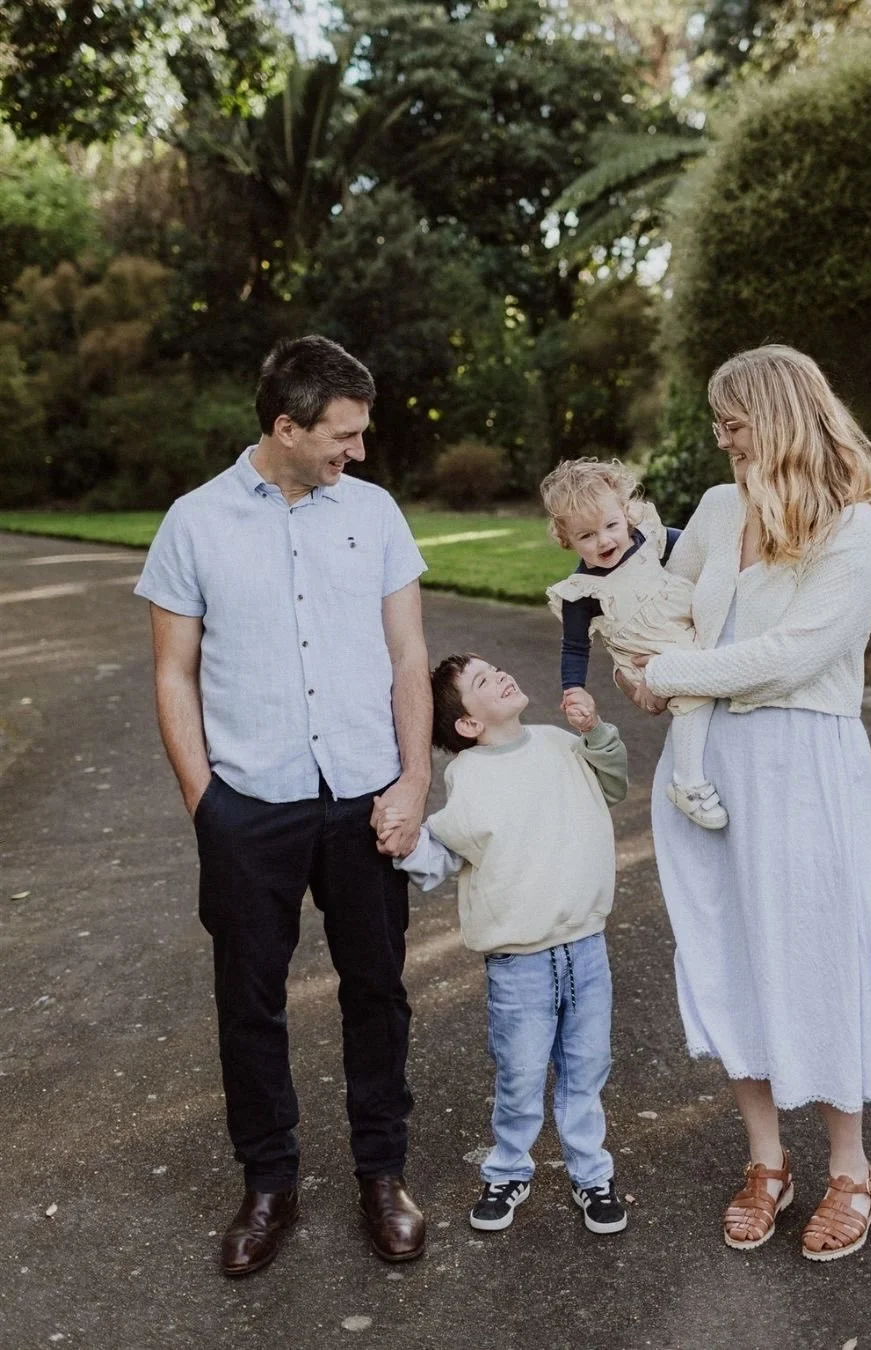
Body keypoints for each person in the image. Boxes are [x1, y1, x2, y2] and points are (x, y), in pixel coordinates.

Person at [134, 335, 432, 1276]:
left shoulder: (374, 513)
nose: (357, 450)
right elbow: (173, 673)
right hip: (249, 807)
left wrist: (415, 778)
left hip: (363, 799)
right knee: (249, 1004)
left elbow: (409, 659)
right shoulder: (193, 522)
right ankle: (269, 1183)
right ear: (286, 428)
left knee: (378, 992)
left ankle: (383, 1176)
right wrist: (205, 803)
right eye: (341, 434)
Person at [621, 345, 871, 1262]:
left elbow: (790, 654)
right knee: (728, 951)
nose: (721, 437)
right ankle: (765, 1161)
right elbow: (666, 598)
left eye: (734, 419)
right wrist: (633, 643)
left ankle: (852, 1171)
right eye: (717, 421)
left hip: (804, 764)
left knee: (824, 952)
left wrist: (669, 673)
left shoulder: (857, 531)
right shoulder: (717, 507)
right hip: (705, 764)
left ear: (783, 415)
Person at [382, 653, 630, 1235]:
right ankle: (507, 1169)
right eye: (482, 682)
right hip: (519, 961)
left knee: (587, 1070)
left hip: (586, 945)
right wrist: (404, 845)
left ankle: (591, 1173)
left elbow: (614, 785)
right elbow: (443, 851)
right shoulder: (468, 779)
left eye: (496, 669)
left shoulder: (560, 745)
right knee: (519, 1075)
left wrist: (595, 732)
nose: (500, 675)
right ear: (468, 725)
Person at [540, 458, 727, 830]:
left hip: (681, 631)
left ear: (626, 513)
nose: (604, 541)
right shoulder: (582, 591)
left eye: (611, 525)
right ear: (567, 539)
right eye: (586, 536)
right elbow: (575, 646)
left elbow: (697, 550)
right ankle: (686, 780)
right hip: (642, 656)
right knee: (694, 695)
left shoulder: (650, 539)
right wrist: (573, 688)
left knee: (716, 679)